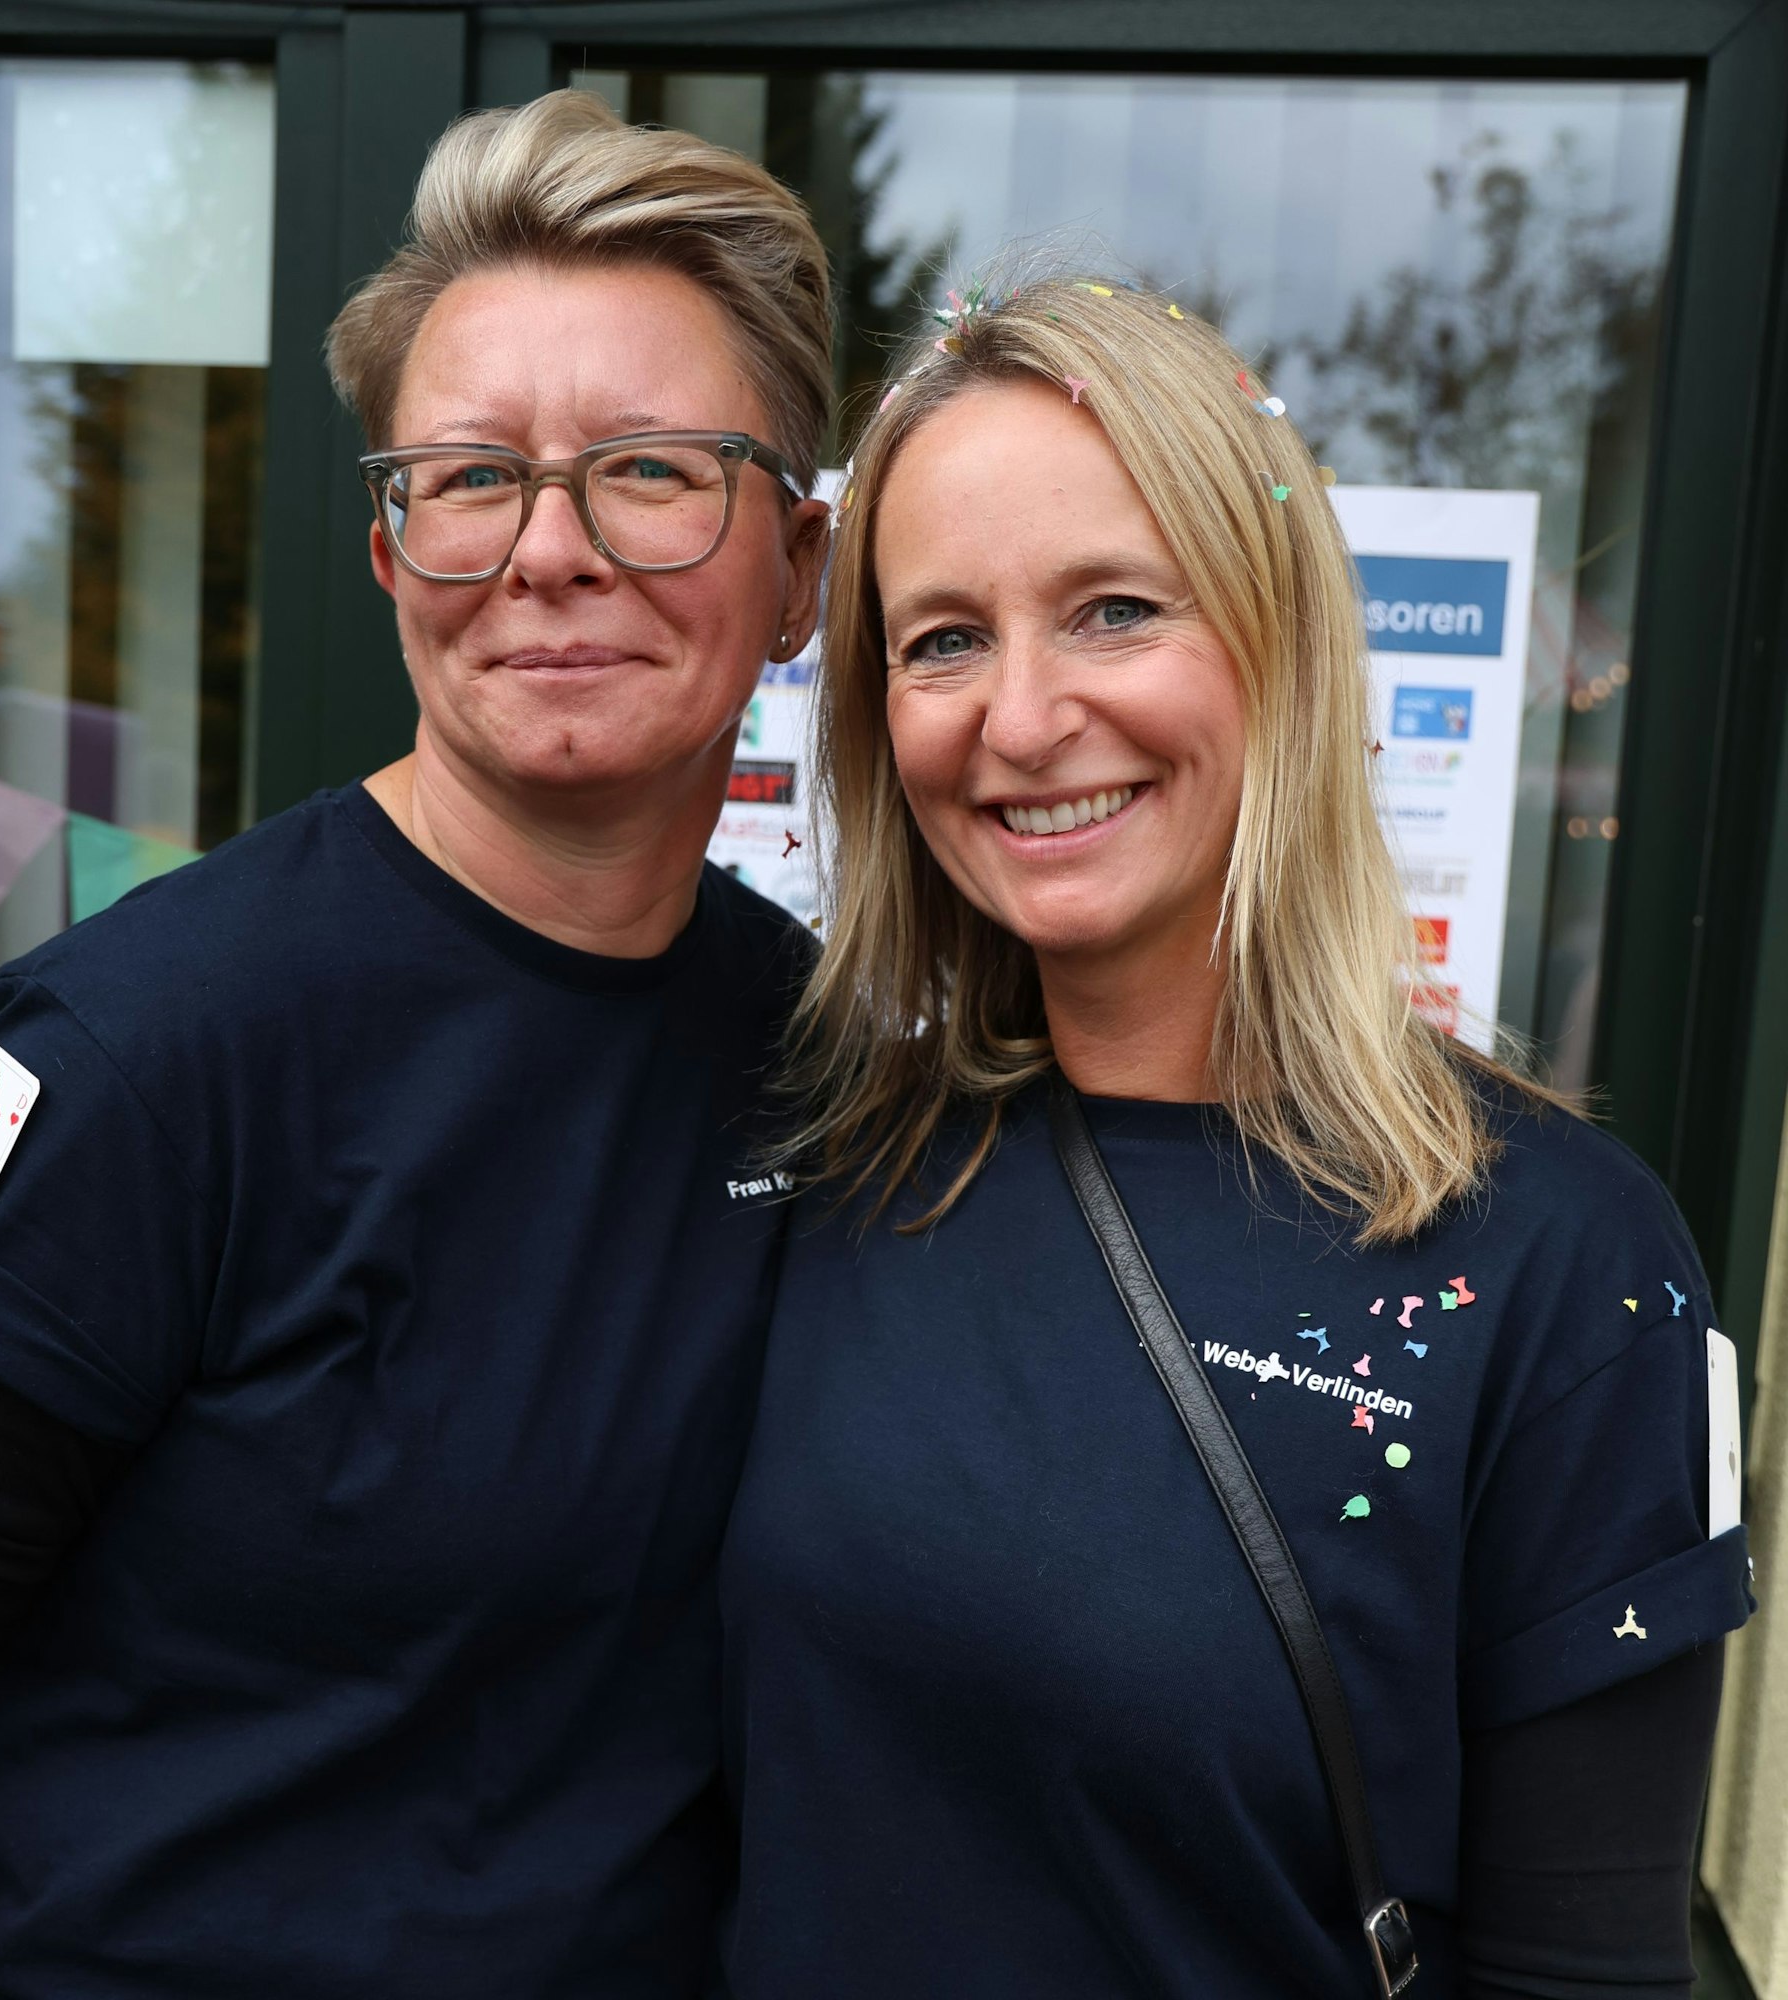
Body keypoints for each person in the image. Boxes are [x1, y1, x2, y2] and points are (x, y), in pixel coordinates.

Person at [0, 90, 830, 1998]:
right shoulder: (122, 1054)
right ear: (390, 554)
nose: (551, 549)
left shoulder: (818, 1058)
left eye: (651, 469)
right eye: (471, 477)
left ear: (803, 571)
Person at [719, 274, 1754, 1996]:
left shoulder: (1559, 1266)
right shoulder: (836, 1166)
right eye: (944, 638)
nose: (1022, 717)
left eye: (1116, 610)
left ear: (1279, 643)